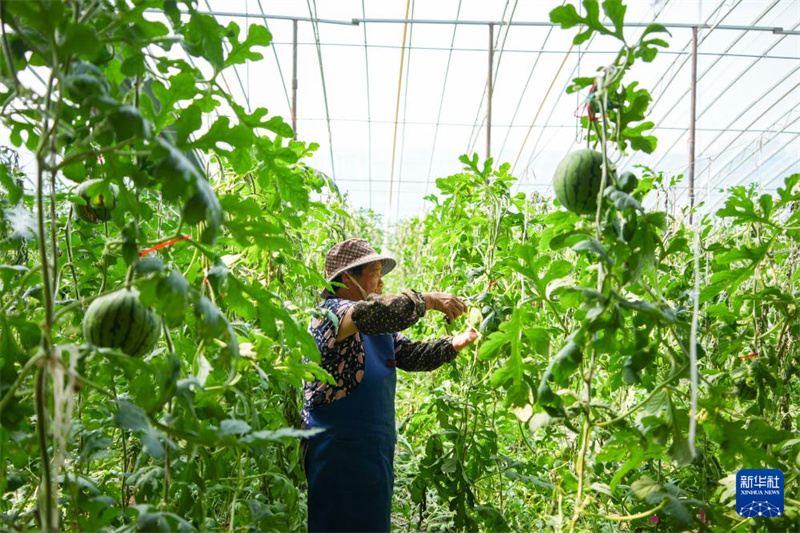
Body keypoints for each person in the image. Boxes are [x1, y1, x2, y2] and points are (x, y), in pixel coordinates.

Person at [302, 238, 479, 533]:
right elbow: (376, 312)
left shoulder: (375, 327)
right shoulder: (330, 316)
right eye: (374, 272)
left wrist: (455, 343)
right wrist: (429, 300)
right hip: (336, 452)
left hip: (374, 451)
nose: (381, 282)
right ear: (347, 278)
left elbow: (410, 354)